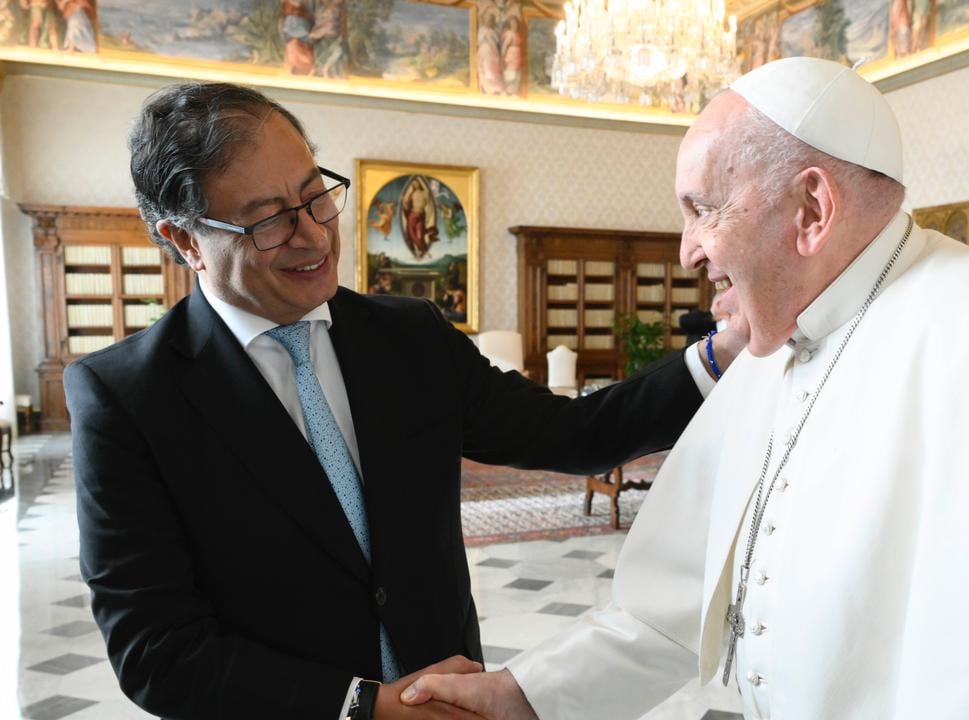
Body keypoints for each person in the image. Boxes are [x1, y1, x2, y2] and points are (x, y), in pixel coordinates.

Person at [398, 57, 969, 719]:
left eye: (702, 208)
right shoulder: (771, 349)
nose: (687, 252)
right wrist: (524, 692)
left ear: (811, 208)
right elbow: (672, 611)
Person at [65, 82, 744, 720]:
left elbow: (574, 435)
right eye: (269, 220)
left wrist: (719, 355)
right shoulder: (128, 397)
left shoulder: (408, 337)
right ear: (185, 239)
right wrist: (365, 706)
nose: (312, 235)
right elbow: (157, 652)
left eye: (314, 196)